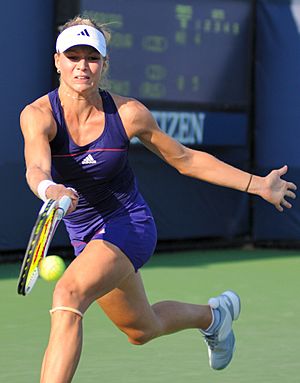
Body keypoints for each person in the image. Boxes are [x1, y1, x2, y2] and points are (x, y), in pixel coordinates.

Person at [20, 16, 296, 383]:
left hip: (129, 224)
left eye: (92, 57)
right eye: (73, 56)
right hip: (86, 238)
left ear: (104, 64)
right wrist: (49, 189)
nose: (82, 66)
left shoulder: (128, 113)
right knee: (141, 329)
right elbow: (36, 168)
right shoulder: (38, 116)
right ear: (57, 61)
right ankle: (214, 317)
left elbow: (186, 159)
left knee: (68, 293)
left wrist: (256, 184)